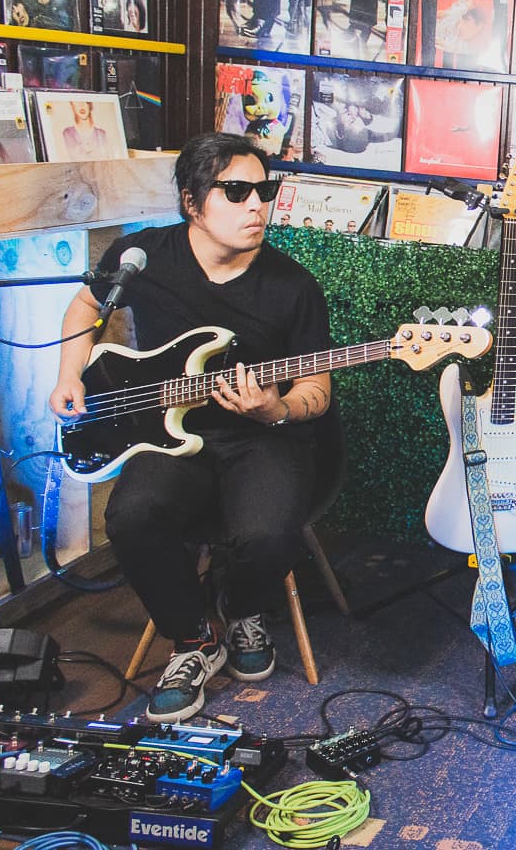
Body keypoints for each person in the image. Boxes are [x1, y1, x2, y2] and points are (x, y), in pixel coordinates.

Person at [48, 133, 333, 723]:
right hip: (167, 436)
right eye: (236, 191)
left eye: (265, 190)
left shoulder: (294, 286)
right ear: (192, 202)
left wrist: (274, 409)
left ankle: (238, 604)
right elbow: (85, 307)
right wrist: (69, 374)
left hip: (261, 439)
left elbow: (317, 392)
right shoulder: (143, 258)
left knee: (269, 532)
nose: (258, 205)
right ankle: (195, 636)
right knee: (131, 515)